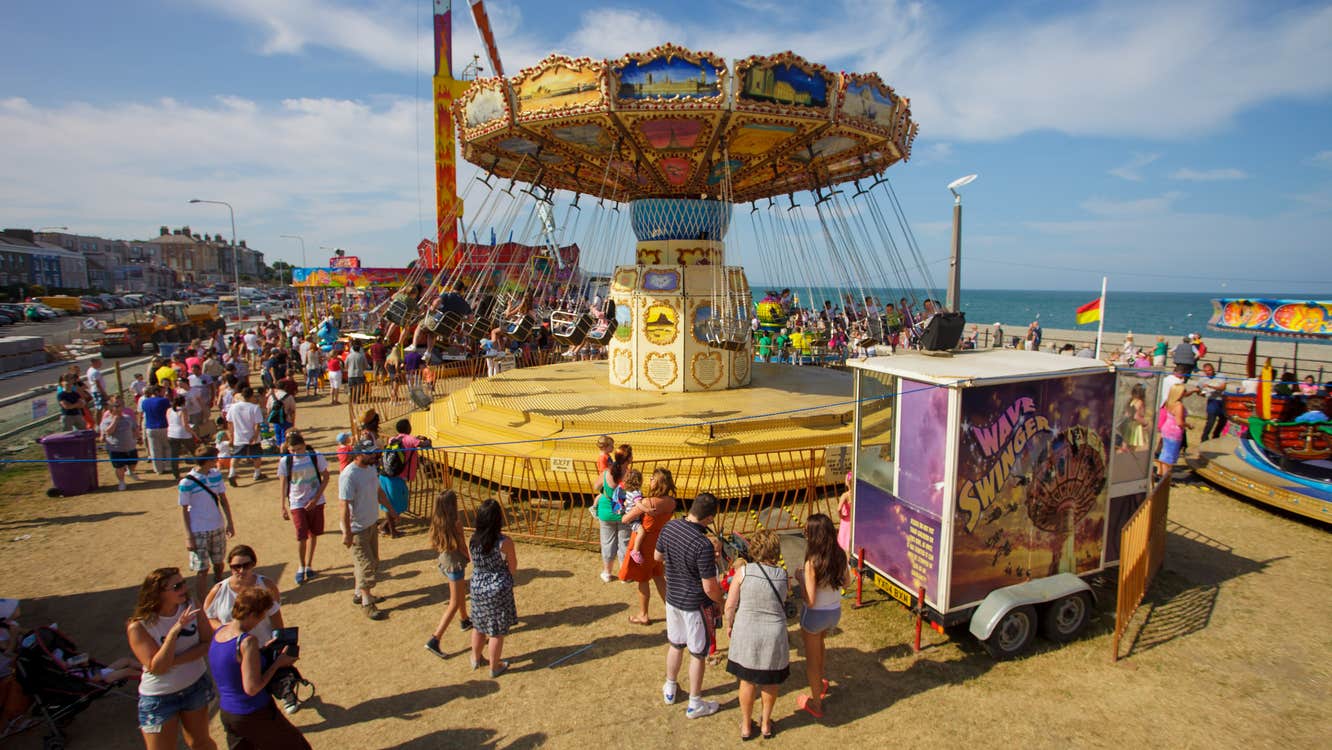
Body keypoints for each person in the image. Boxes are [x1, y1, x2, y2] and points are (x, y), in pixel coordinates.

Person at [208, 585, 311, 749]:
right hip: (253, 711)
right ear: (254, 614)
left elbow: (234, 665)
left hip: (229, 714)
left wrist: (263, 652)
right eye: (262, 614)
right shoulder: (247, 642)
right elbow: (252, 688)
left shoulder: (220, 632)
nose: (263, 619)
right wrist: (279, 663)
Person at [126, 568, 217, 750]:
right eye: (177, 586)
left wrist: (173, 662)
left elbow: (208, 643)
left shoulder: (192, 605)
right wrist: (174, 632)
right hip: (159, 699)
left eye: (183, 583)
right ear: (158, 593)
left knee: (201, 743)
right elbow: (158, 668)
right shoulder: (139, 626)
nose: (184, 588)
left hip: (195, 687)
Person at [656, 491, 724, 719]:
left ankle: (670, 687)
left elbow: (658, 556)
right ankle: (695, 702)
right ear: (709, 518)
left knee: (675, 644)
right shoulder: (702, 545)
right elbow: (709, 587)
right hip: (695, 605)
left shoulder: (670, 527)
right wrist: (721, 602)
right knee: (697, 653)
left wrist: (677, 565)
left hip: (673, 599)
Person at [723, 529, 790, 740]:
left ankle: (745, 725)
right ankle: (766, 723)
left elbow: (730, 605)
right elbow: (784, 599)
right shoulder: (782, 576)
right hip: (773, 632)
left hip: (747, 630)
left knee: (747, 680)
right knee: (770, 681)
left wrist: (729, 624)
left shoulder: (743, 573)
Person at [797, 513, 847, 720]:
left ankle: (816, 703)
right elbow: (847, 583)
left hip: (814, 616)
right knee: (821, 646)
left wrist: (800, 578)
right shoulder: (840, 555)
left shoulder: (812, 563)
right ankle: (822, 681)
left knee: (811, 660)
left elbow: (809, 600)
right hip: (834, 612)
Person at [341, 439, 395, 620]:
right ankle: (367, 602)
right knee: (365, 566)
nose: (374, 456)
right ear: (358, 454)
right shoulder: (349, 475)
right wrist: (347, 532)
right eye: (369, 453)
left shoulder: (371, 469)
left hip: (371, 523)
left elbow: (379, 492)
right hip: (357, 528)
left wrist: (391, 509)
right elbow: (344, 506)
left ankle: (360, 593)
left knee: (373, 562)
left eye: (374, 452)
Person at [619, 468, 678, 625]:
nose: (649, 480)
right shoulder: (672, 502)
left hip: (643, 543)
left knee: (643, 578)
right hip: (658, 542)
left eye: (652, 478)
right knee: (659, 577)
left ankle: (643, 614)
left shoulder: (647, 502)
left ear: (658, 482)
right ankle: (673, 611)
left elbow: (625, 519)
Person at [179, 446, 237, 602]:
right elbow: (184, 510)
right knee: (202, 569)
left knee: (219, 564)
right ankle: (203, 602)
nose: (217, 461)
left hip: (216, 526)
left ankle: (218, 593)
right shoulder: (186, 482)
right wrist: (188, 536)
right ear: (207, 461)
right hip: (198, 530)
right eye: (214, 459)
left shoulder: (216, 475)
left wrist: (230, 522)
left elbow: (223, 500)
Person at [467, 499, 517, 677]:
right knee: (496, 631)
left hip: (478, 586)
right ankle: (494, 666)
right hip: (498, 588)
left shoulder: (472, 540)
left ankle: (475, 657)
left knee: (479, 625)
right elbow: (512, 567)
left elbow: (473, 562)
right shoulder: (504, 542)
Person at [276, 431, 329, 585]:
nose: (296, 453)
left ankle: (309, 564)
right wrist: (282, 505)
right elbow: (283, 483)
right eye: (292, 450)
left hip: (316, 500)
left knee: (314, 533)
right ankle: (301, 565)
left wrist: (316, 498)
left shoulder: (315, 456)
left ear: (304, 446)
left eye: (298, 449)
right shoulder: (286, 461)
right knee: (301, 535)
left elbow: (326, 477)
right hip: (296, 501)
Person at [425, 490, 474, 659]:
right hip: (455, 564)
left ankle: (464, 619)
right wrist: (469, 557)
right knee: (454, 601)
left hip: (445, 561)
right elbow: (461, 544)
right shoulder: (456, 523)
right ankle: (435, 638)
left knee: (460, 593)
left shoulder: (437, 521)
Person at [377, 419, 422, 539]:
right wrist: (426, 440)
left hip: (385, 474)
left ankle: (389, 528)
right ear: (408, 428)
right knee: (400, 504)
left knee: (389, 503)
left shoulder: (393, 439)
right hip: (396, 478)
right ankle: (386, 527)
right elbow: (423, 445)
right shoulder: (410, 439)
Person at [594, 462, 631, 582]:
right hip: (623, 512)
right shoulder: (630, 474)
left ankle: (607, 572)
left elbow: (596, 486)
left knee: (607, 542)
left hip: (606, 511)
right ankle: (624, 574)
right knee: (624, 544)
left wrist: (604, 491)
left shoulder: (606, 473)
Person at [100, 394, 141, 491]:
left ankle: (131, 472)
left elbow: (134, 428)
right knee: (119, 466)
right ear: (111, 407)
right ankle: (121, 482)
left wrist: (138, 437)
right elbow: (108, 432)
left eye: (121, 405)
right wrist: (115, 420)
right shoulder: (107, 420)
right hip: (115, 447)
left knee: (133, 462)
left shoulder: (128, 417)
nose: (119, 408)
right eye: (117, 406)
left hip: (130, 445)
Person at [226, 387, 266, 486]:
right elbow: (257, 425)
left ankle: (232, 473)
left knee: (236, 456)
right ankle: (257, 473)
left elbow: (229, 423)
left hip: (238, 436)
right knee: (257, 456)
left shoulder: (233, 407)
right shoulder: (254, 407)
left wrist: (231, 436)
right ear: (251, 396)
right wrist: (255, 436)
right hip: (252, 436)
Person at [1156, 384, 1188, 480]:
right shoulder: (1179, 406)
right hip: (1174, 431)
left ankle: (1160, 471)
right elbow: (1179, 422)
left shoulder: (1169, 402)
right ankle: (1165, 476)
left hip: (1167, 428)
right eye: (1184, 392)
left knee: (1165, 452)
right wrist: (1188, 425)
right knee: (1170, 454)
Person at [167, 395, 200, 480]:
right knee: (194, 452)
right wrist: (194, 434)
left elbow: (169, 422)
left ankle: (176, 475)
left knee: (174, 455)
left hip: (171, 433)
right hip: (183, 434)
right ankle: (201, 468)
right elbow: (185, 425)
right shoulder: (183, 410)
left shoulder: (169, 410)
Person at [1198, 363, 1228, 441]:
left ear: (1213, 369)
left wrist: (1210, 386)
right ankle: (1204, 438)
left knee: (1223, 420)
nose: (1208, 372)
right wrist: (1202, 393)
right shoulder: (1203, 379)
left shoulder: (1221, 376)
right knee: (1211, 421)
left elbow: (1223, 387)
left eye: (1209, 370)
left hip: (1222, 400)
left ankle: (1216, 435)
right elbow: (1200, 391)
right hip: (1212, 400)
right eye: (1206, 371)